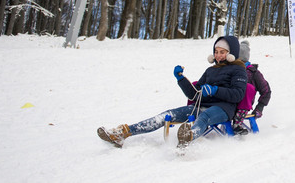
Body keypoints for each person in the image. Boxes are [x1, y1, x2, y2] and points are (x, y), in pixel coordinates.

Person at [96, 36, 248, 148]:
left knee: (205, 116)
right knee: (167, 115)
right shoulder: (210, 70)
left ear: (231, 53)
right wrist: (181, 79)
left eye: (222, 52)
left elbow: (238, 94)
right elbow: (194, 94)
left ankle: (188, 137)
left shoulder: (239, 69)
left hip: (223, 109)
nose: (218, 55)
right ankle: (123, 133)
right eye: (216, 51)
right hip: (201, 105)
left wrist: (216, 90)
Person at [234, 40, 271, 132]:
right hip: (229, 101)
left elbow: (266, 90)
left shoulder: (253, 73)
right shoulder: (230, 69)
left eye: (240, 60)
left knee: (247, 88)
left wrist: (260, 107)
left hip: (244, 103)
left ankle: (238, 123)